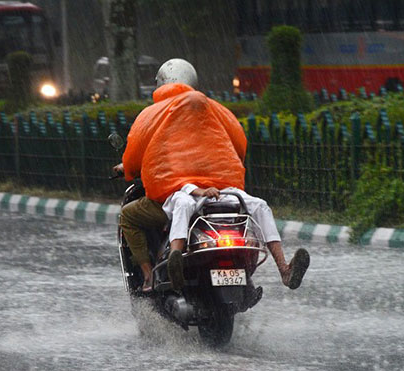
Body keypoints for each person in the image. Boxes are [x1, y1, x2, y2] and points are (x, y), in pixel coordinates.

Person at [114, 58, 309, 292]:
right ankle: (284, 269)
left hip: (180, 190)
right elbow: (240, 145)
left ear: (160, 84)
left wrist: (128, 167)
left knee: (129, 215)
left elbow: (133, 153)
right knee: (261, 206)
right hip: (222, 190)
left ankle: (149, 276)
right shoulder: (216, 109)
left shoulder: (152, 114)